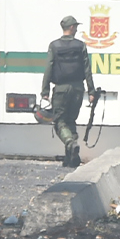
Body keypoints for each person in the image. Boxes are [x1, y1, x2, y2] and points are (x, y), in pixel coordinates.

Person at [41, 15, 95, 168]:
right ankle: (71, 158)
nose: (77, 29)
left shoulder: (54, 46)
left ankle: (70, 144)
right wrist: (91, 90)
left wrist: (45, 90)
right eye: (76, 26)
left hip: (61, 89)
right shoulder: (80, 46)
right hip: (78, 88)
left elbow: (48, 68)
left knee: (59, 121)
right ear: (71, 28)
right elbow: (87, 69)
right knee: (70, 121)